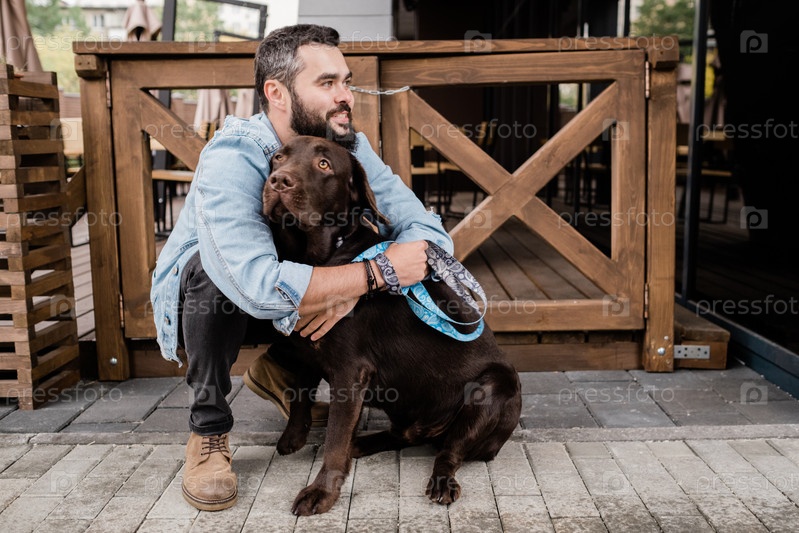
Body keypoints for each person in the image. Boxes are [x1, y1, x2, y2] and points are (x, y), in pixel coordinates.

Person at [149, 24, 453, 511]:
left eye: (346, 82)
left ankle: (283, 367)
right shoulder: (234, 153)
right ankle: (208, 430)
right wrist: (374, 274)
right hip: (221, 304)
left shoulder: (347, 147)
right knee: (211, 271)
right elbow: (255, 285)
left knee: (354, 254)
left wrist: (361, 278)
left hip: (294, 296)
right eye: (327, 83)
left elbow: (430, 235)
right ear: (277, 93)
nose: (344, 96)